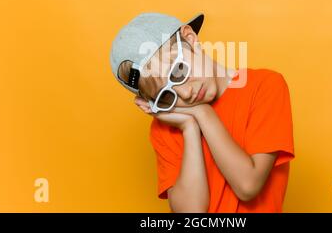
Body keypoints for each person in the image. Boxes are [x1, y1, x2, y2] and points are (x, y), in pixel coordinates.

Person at [110, 12, 294, 212]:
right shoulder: (165, 128)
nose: (187, 93)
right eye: (167, 94)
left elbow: (248, 185)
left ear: (190, 39)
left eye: (179, 72)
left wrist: (203, 114)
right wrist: (190, 128)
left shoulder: (264, 87)